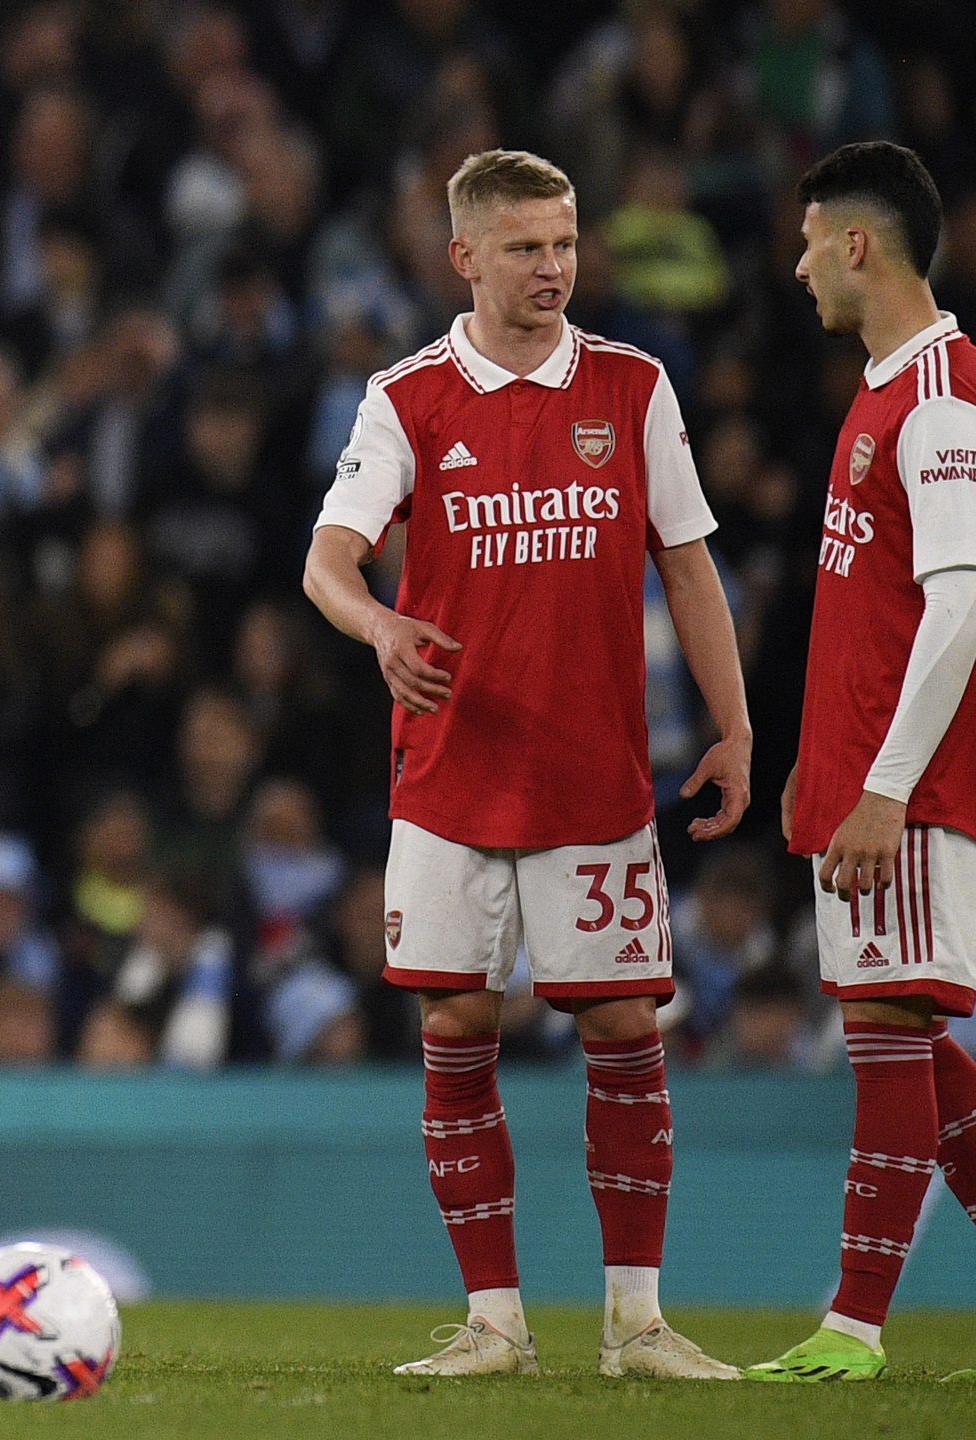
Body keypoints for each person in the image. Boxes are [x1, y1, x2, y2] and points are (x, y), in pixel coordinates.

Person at [301, 149, 748, 1380]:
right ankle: (492, 1321)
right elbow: (326, 561)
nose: (552, 267)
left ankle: (636, 1324)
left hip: (592, 775)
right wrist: (379, 623)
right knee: (454, 1017)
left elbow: (690, 564)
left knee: (620, 1022)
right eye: (523, 248)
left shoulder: (633, 384)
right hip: (449, 774)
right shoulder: (405, 400)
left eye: (562, 244)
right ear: (464, 258)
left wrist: (735, 724)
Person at [749, 141, 976, 1385]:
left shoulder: (941, 393)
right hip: (863, 779)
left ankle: (849, 1329)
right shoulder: (886, 384)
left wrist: (884, 784)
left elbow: (958, 605)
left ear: (855, 244)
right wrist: (820, 764)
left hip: (917, 788)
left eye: (803, 242)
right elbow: (871, 605)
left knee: (888, 1029)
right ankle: (851, 1325)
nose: (791, 268)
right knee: (899, 1040)